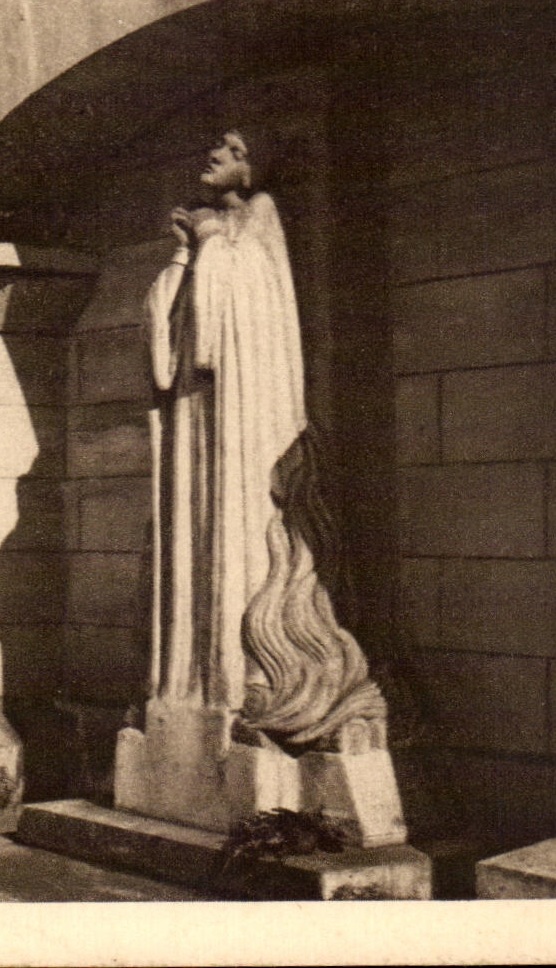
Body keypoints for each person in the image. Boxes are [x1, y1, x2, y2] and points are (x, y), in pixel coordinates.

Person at [145, 130, 381, 746]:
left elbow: (233, 306)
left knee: (239, 529)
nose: (212, 155)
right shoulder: (219, 231)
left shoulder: (262, 219)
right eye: (214, 146)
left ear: (253, 164)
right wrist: (180, 258)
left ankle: (238, 683)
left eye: (228, 149)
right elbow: (173, 332)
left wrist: (203, 241)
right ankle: (189, 688)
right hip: (199, 411)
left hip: (245, 410)